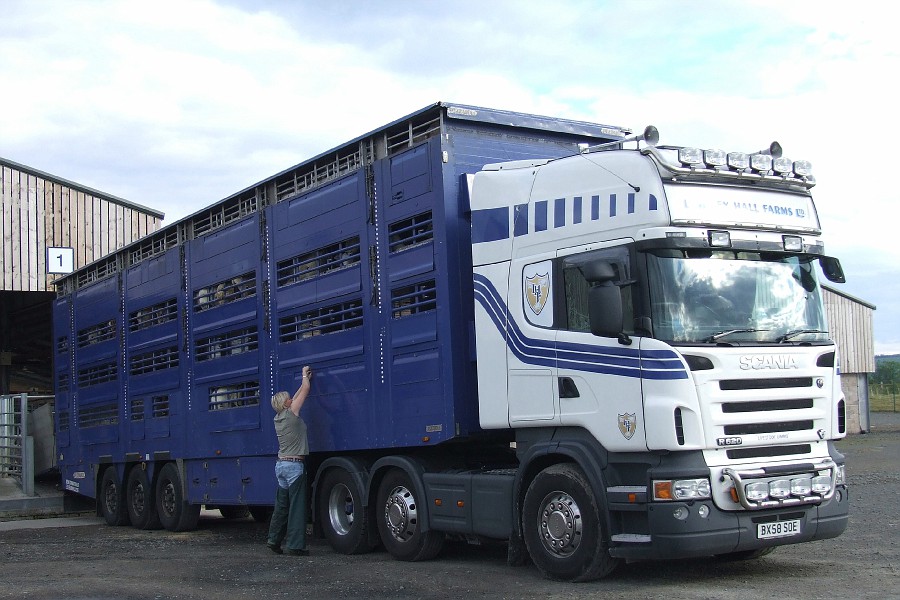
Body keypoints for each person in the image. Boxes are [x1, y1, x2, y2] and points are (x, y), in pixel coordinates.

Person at [266, 365, 313, 556]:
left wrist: (302, 383)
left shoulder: (279, 418)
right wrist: (304, 374)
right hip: (294, 466)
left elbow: (297, 395)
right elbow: (305, 390)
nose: (291, 399)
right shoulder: (292, 413)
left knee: (282, 506)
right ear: (286, 404)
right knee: (297, 508)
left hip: (281, 466)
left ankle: (274, 540)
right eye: (288, 399)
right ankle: (295, 546)